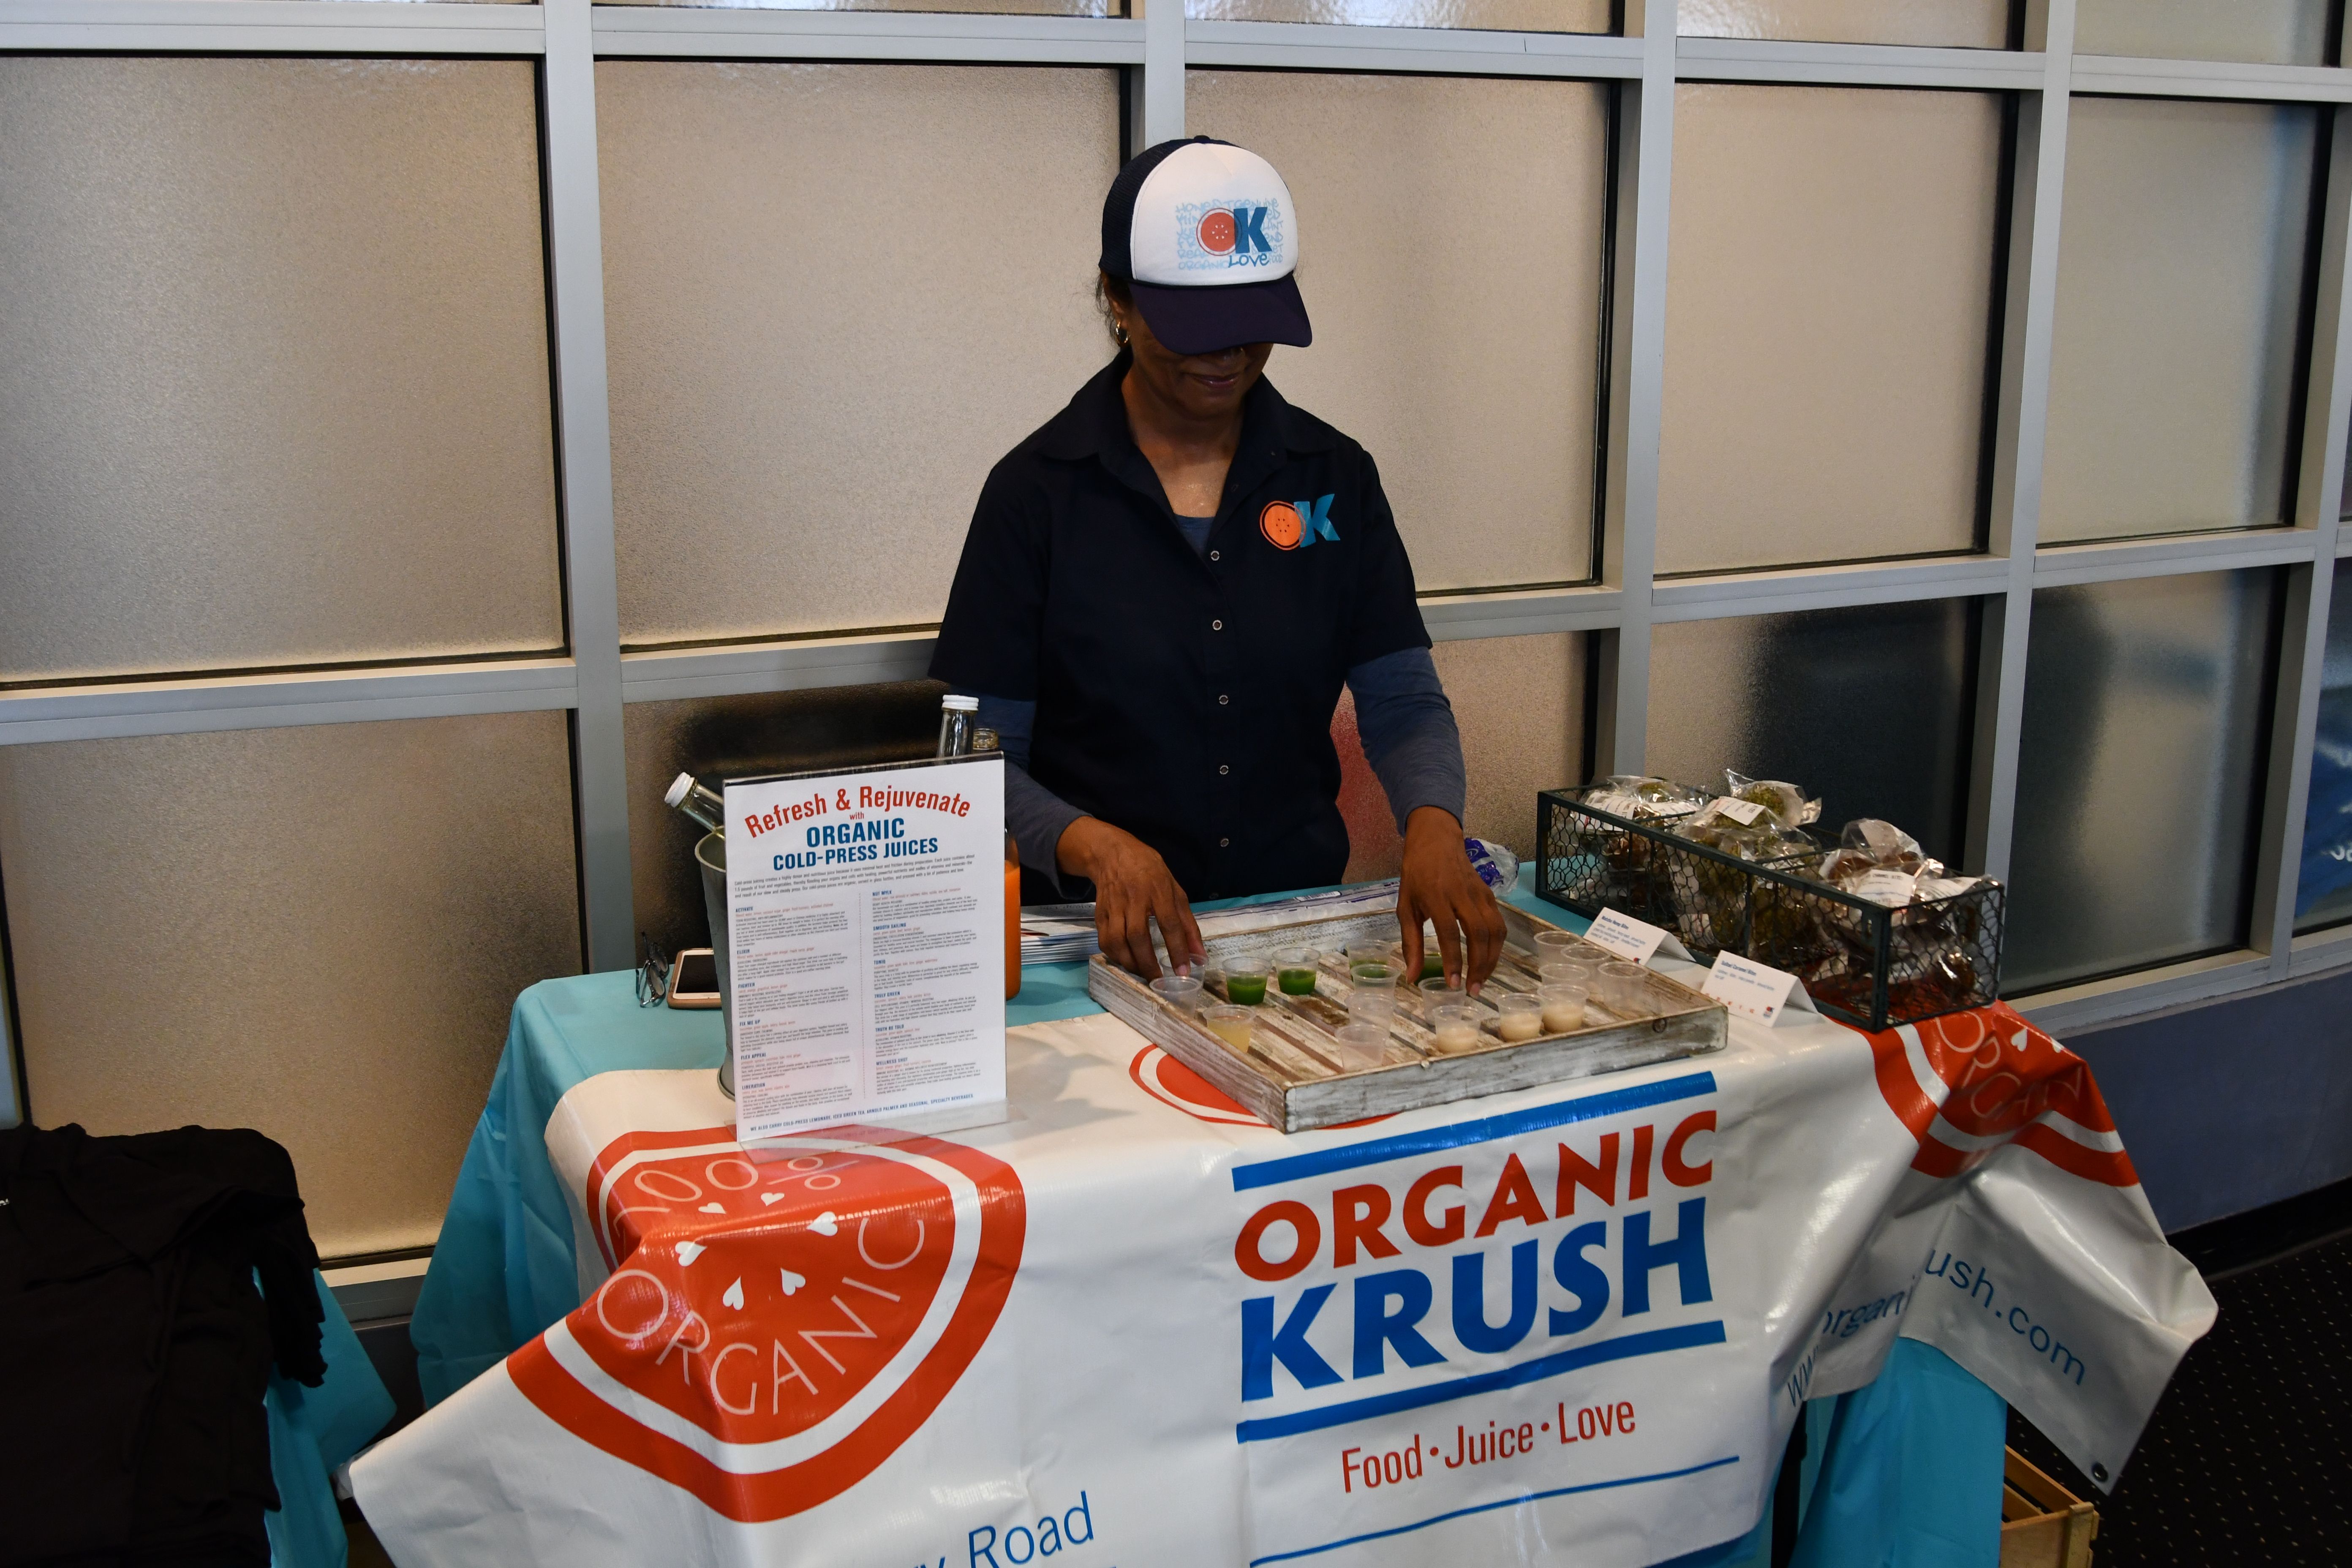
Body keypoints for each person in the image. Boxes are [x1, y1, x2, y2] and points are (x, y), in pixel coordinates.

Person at [930, 136, 1506, 988]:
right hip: (1096, 945)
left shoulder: (1334, 477)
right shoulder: (1036, 495)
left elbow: (1403, 701)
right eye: (1198, 328)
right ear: (1118, 297)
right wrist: (1096, 845)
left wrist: (1432, 823)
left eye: (1252, 324)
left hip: (1292, 936)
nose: (1229, 354)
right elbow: (975, 764)